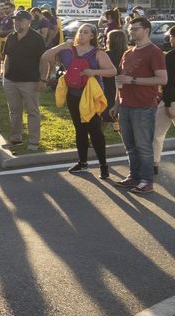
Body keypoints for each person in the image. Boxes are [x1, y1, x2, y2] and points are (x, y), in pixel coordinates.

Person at [41, 23, 116, 178]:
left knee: (94, 130)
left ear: (92, 36)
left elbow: (112, 71)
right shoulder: (68, 50)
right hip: (73, 95)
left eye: (86, 32)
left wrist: (93, 72)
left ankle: (103, 165)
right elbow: (45, 57)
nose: (81, 34)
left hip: (90, 96)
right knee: (79, 129)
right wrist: (61, 46)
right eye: (80, 31)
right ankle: (83, 163)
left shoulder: (98, 53)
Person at [111, 17, 167, 193]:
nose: (131, 31)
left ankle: (146, 180)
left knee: (143, 145)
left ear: (146, 30)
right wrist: (116, 103)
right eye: (130, 28)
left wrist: (133, 80)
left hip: (144, 106)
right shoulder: (128, 53)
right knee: (130, 146)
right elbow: (120, 80)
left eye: (135, 28)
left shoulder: (154, 52)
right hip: (125, 105)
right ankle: (133, 177)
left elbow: (162, 79)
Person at [0, 11, 46, 150]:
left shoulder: (37, 38)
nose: (17, 23)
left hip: (30, 81)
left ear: (28, 22)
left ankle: (33, 142)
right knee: (14, 111)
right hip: (10, 80)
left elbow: (44, 61)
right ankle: (15, 138)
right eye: (16, 20)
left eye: (20, 20)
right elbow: (7, 57)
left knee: (32, 112)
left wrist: (43, 79)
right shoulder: (11, 37)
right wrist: (4, 74)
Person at [155, 26, 175, 172]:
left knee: (157, 133)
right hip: (170, 99)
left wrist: (167, 103)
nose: (170, 39)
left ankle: (153, 163)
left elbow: (168, 82)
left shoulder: (170, 56)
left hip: (171, 100)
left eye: (171, 37)